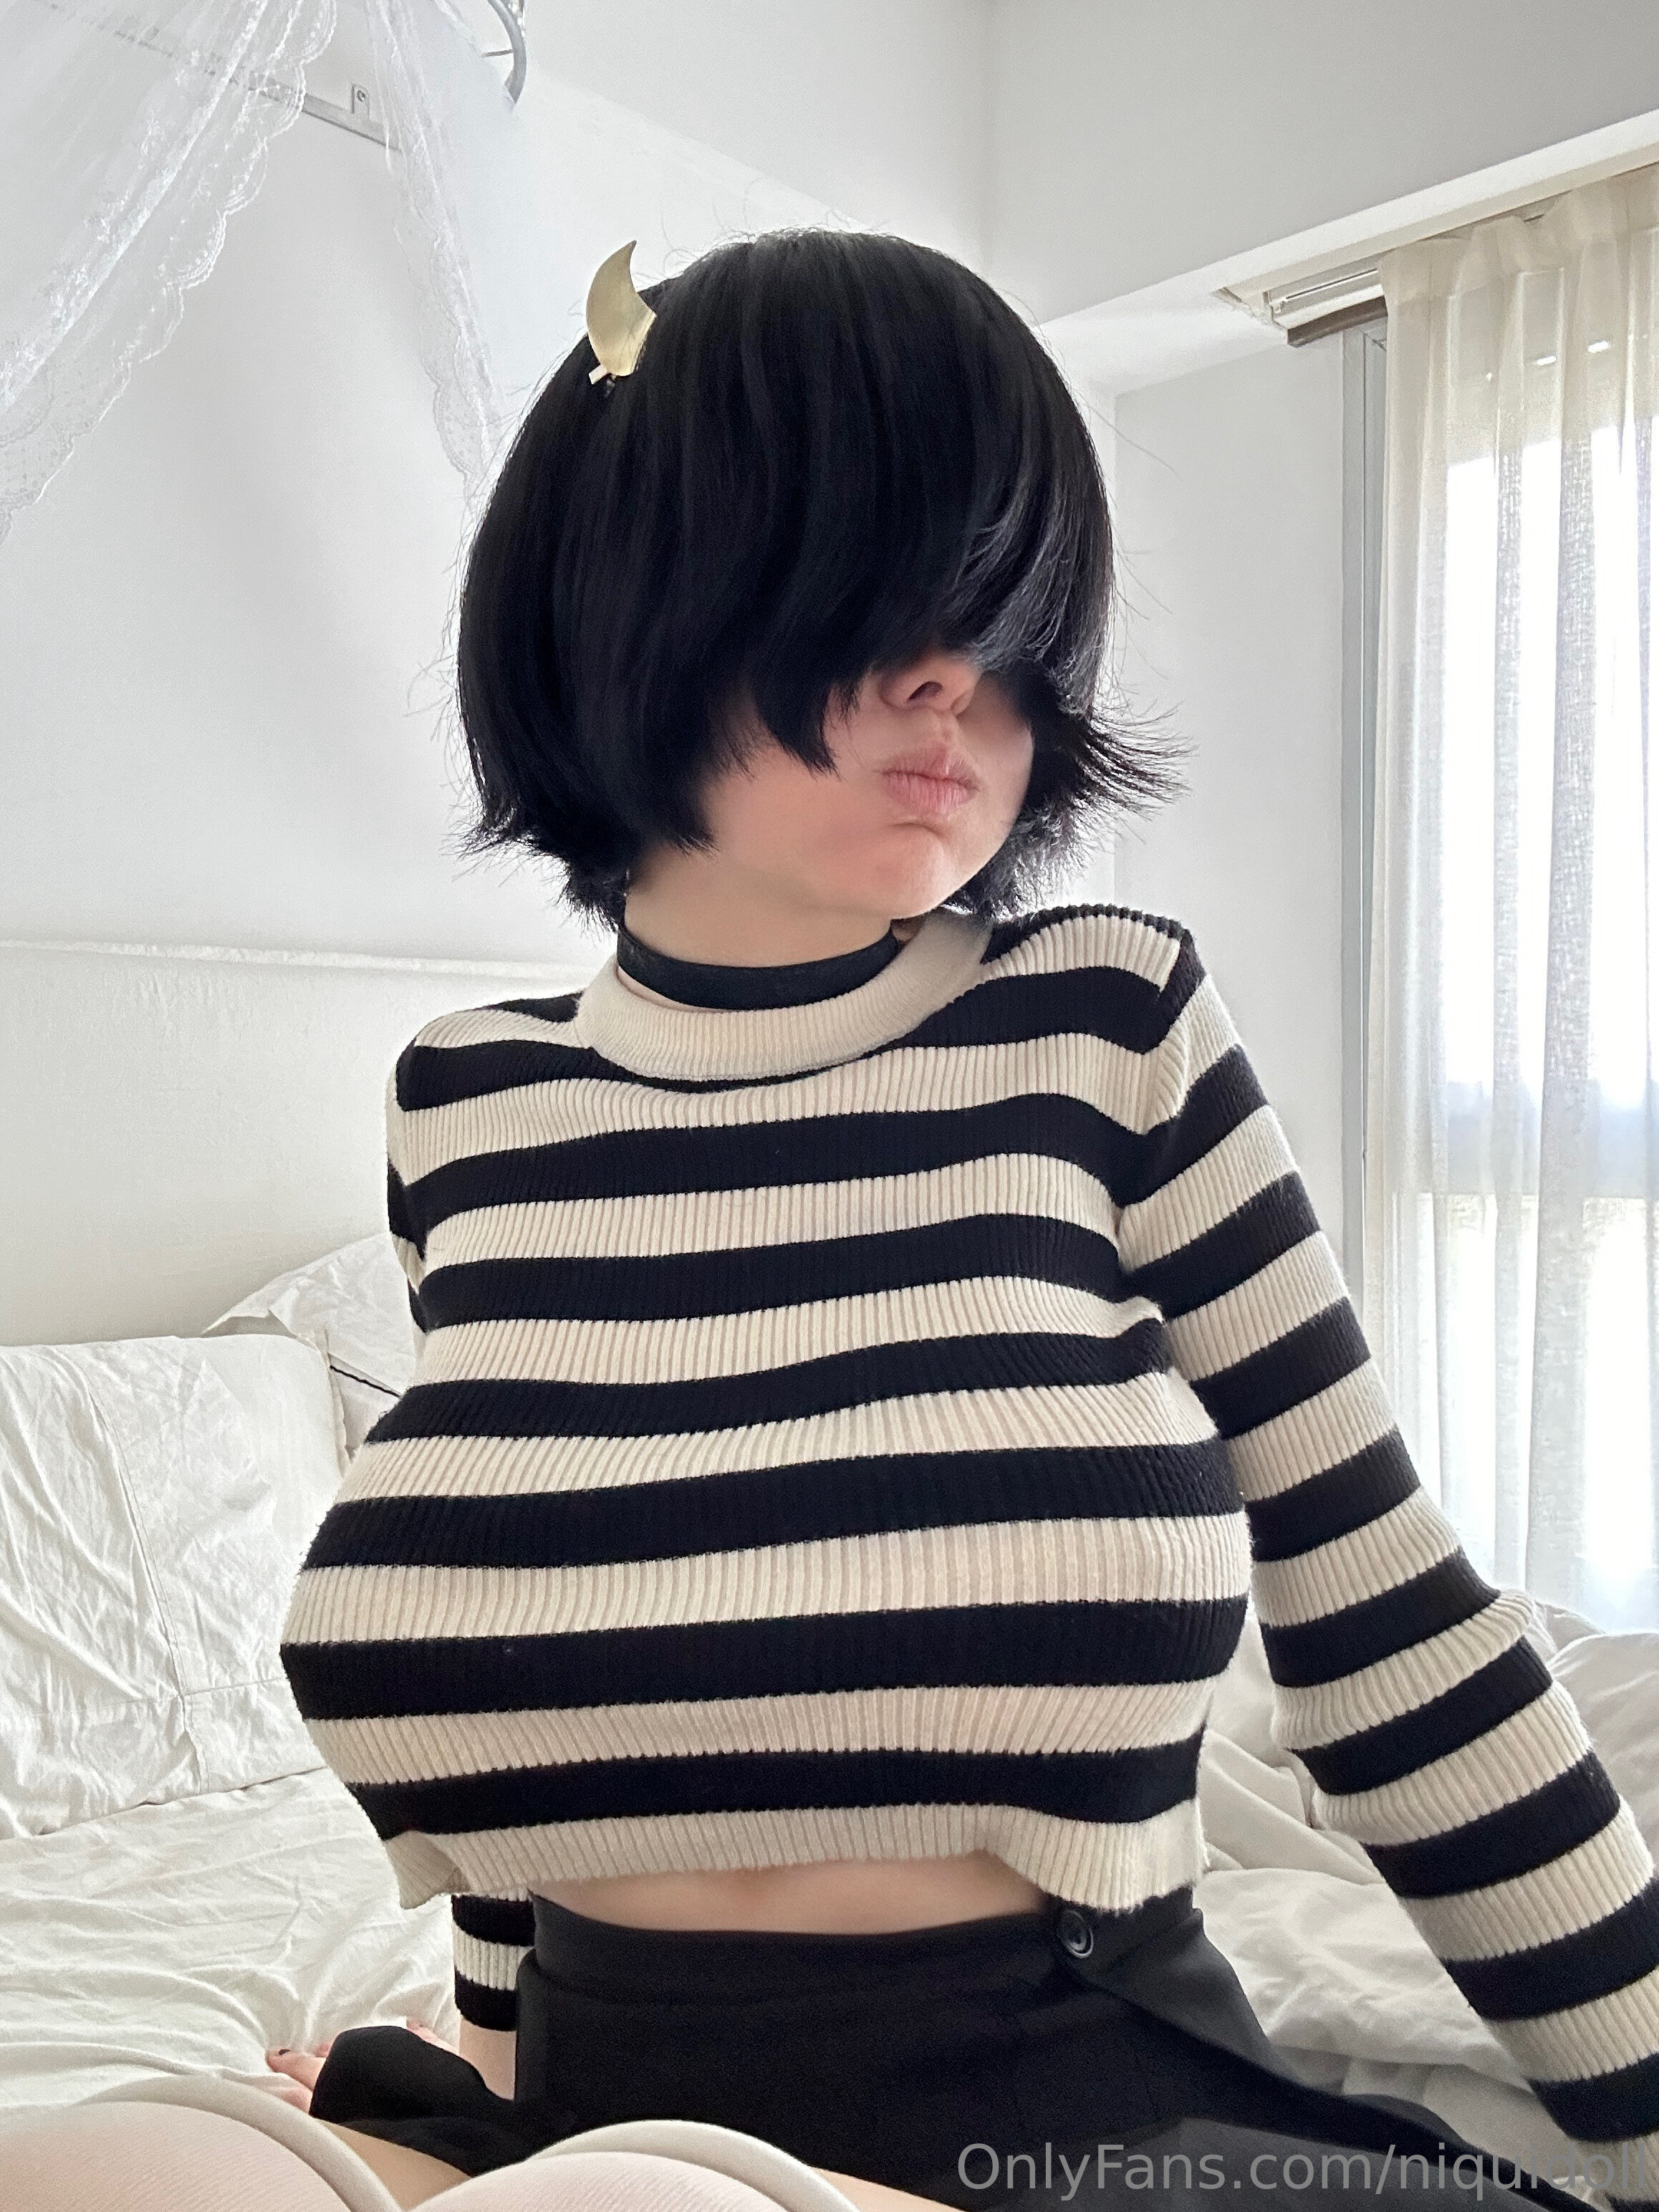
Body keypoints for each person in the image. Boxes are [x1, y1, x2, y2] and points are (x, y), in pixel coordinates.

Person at [252, 228, 1659, 2212]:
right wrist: (476, 2088)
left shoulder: (1104, 1022)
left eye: (1006, 624)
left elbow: (1389, 1627)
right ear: (635, 592)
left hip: (1076, 2122)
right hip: (601, 2125)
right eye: (873, 597)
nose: (954, 683)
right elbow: (550, 1637)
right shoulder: (464, 1103)